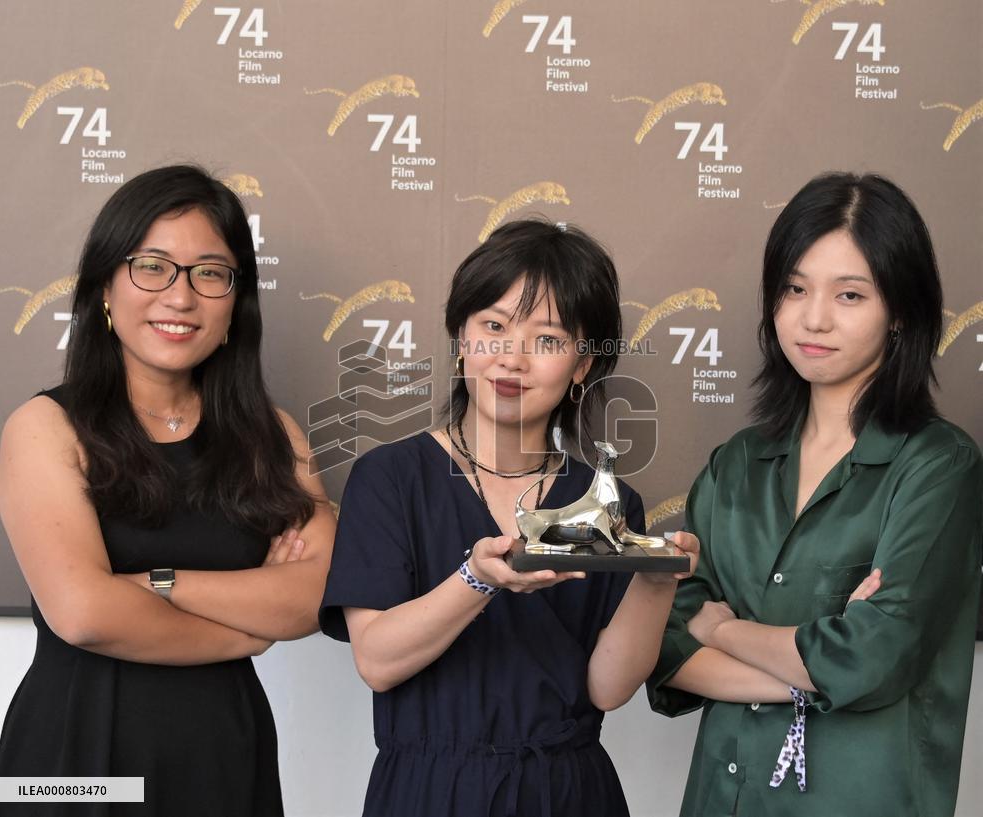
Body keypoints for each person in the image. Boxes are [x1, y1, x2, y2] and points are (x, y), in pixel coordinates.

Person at [319, 219, 699, 817]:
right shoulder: (391, 478)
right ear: (461, 339)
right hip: (430, 790)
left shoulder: (606, 498)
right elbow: (377, 662)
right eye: (493, 327)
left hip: (569, 791)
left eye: (547, 340)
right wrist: (478, 579)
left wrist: (655, 580)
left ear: (582, 366)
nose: (512, 358)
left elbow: (608, 688)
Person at [0, 165, 335, 817]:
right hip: (71, 761)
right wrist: (245, 632)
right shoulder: (45, 427)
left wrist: (161, 582)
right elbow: (83, 613)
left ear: (235, 301)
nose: (181, 296)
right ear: (106, 291)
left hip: (222, 753)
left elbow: (313, 596)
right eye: (152, 266)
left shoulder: (272, 435)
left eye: (209, 272)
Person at [645, 172, 982, 817]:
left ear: (901, 312)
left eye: (850, 294)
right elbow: (665, 647)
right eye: (795, 289)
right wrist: (809, 665)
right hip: (725, 796)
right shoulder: (735, 466)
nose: (814, 317)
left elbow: (873, 655)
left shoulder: (939, 466)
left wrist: (724, 626)